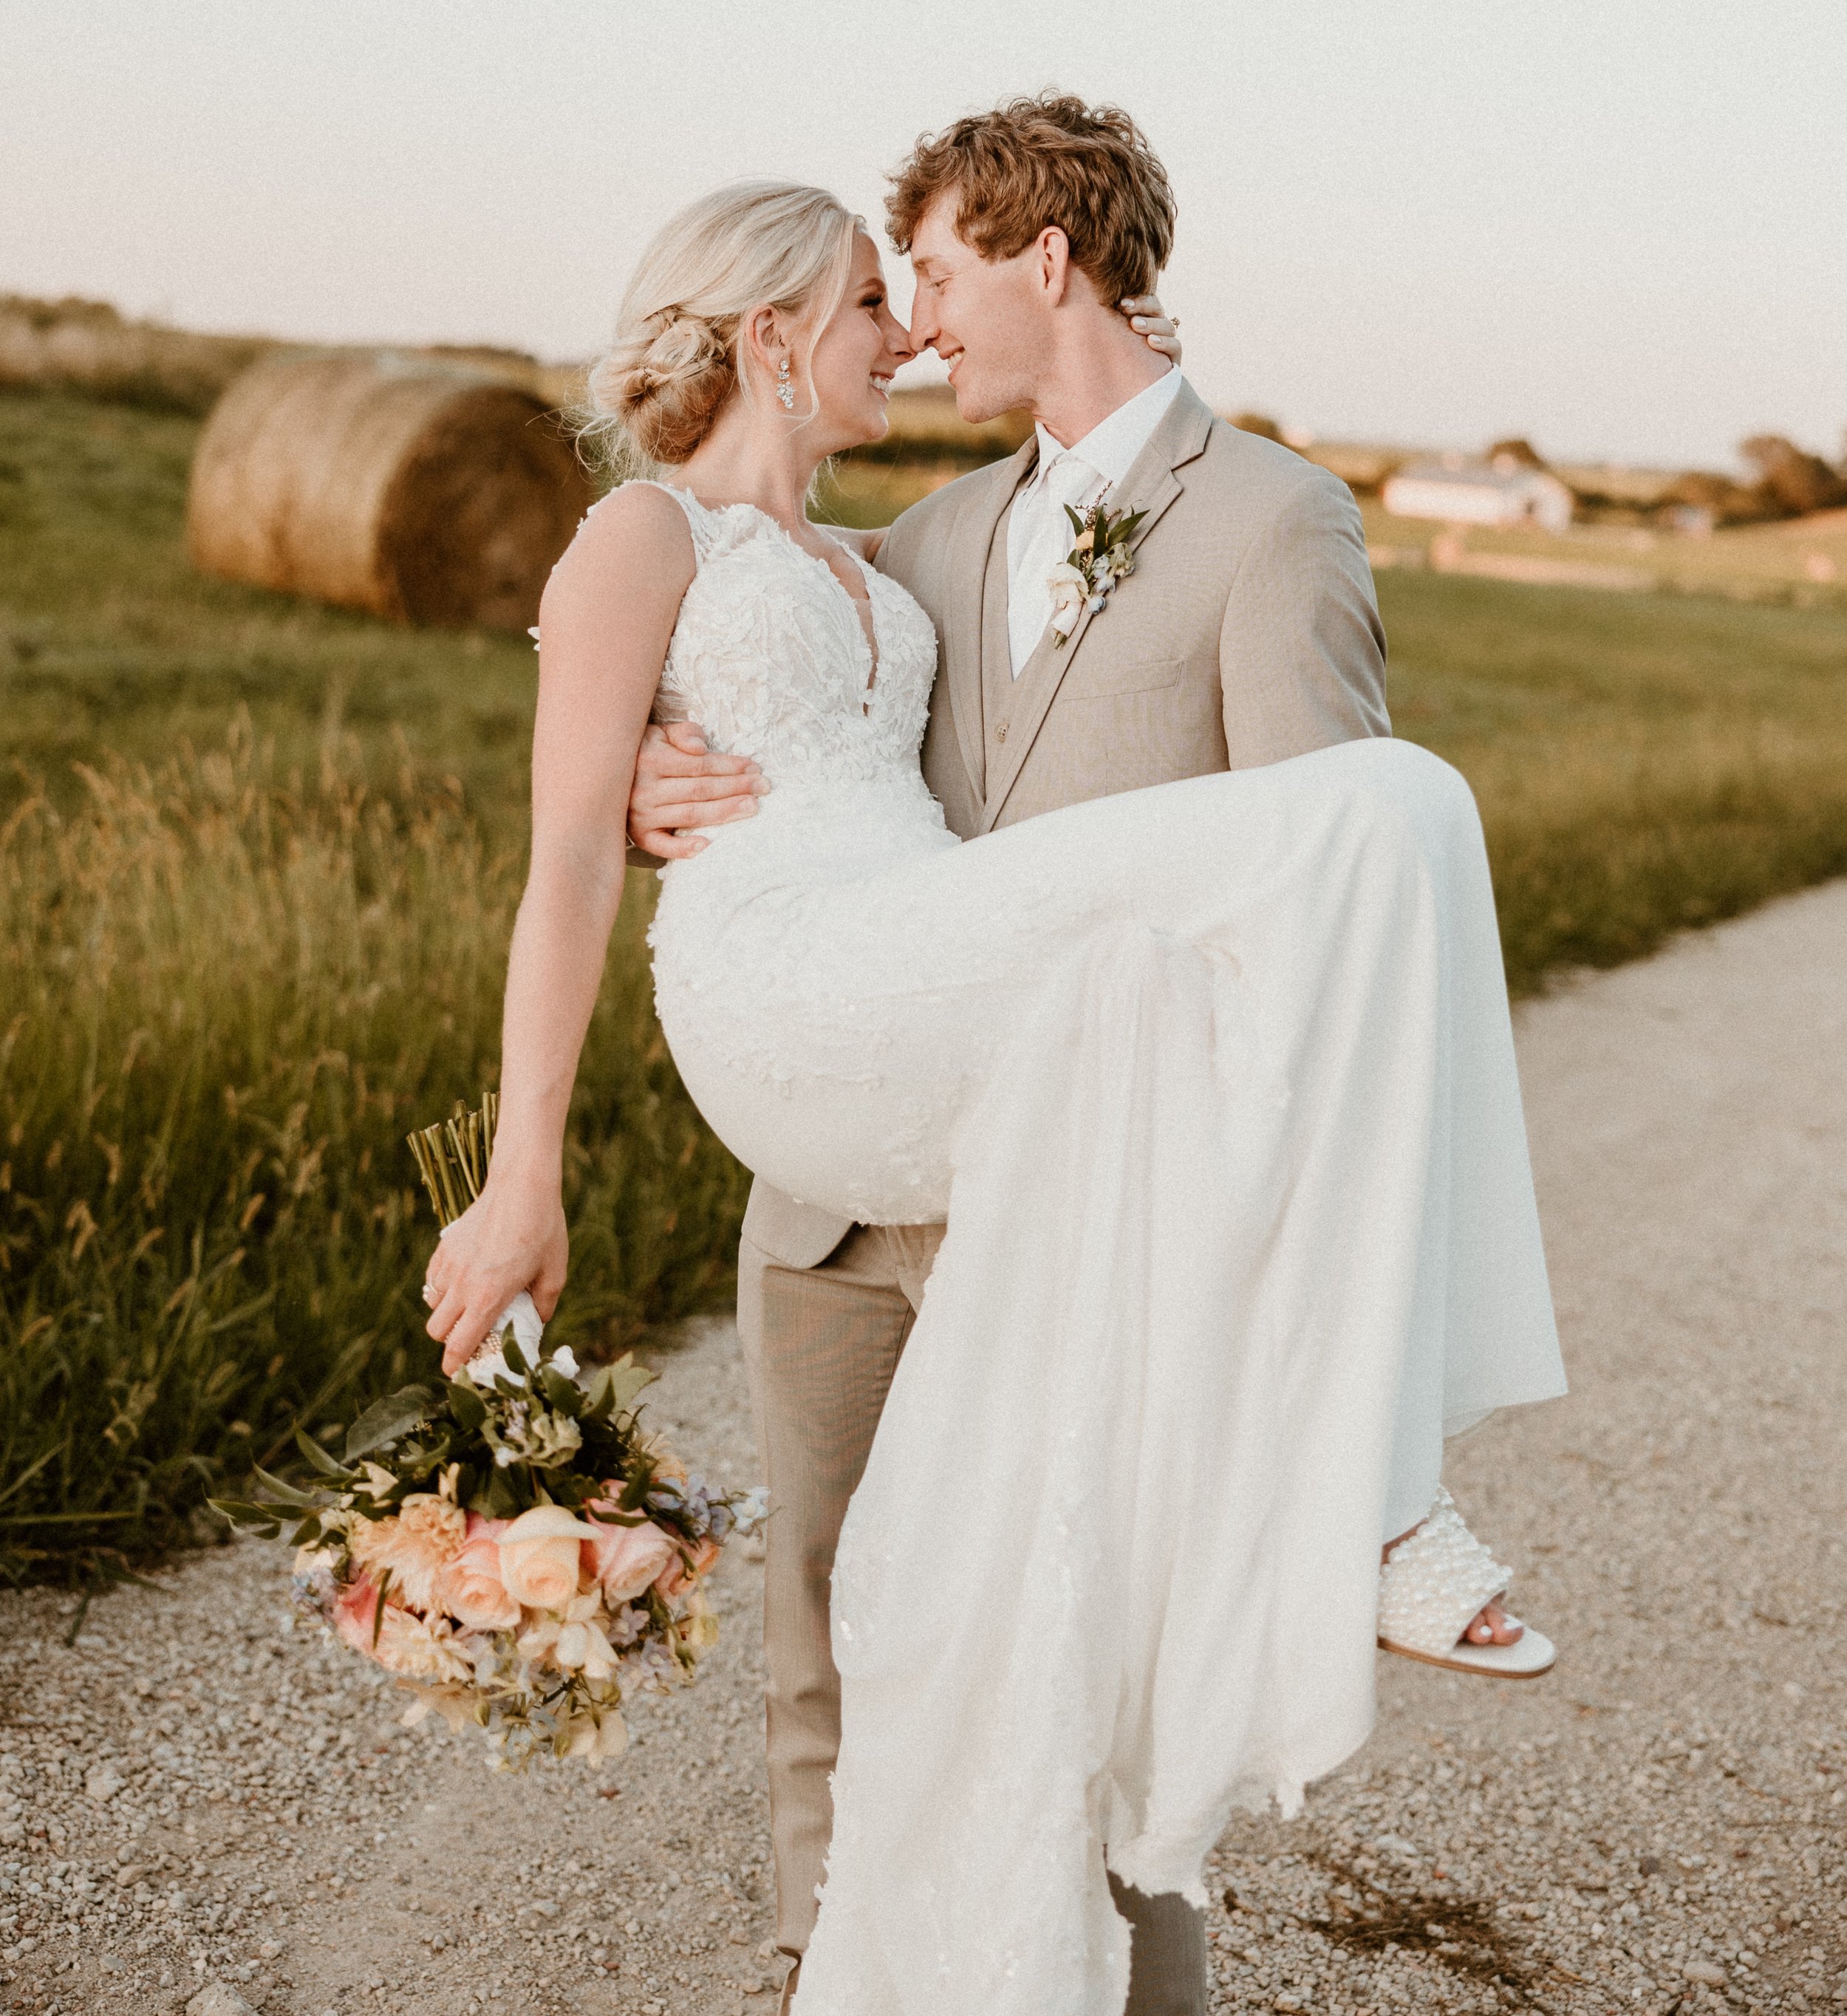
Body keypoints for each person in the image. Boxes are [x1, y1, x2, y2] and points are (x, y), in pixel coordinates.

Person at [424, 102, 1566, 2016]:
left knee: (1059, 1630)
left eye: (925, 283)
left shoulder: (1002, 543)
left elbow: (833, 683)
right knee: (820, 1616)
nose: (912, 331)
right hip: (816, 1051)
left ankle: (1329, 1550)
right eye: (877, 300)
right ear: (777, 326)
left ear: (1044, 260)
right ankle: (826, 1973)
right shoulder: (725, 529)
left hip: (1004, 1112)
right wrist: (540, 1096)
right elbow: (567, 829)